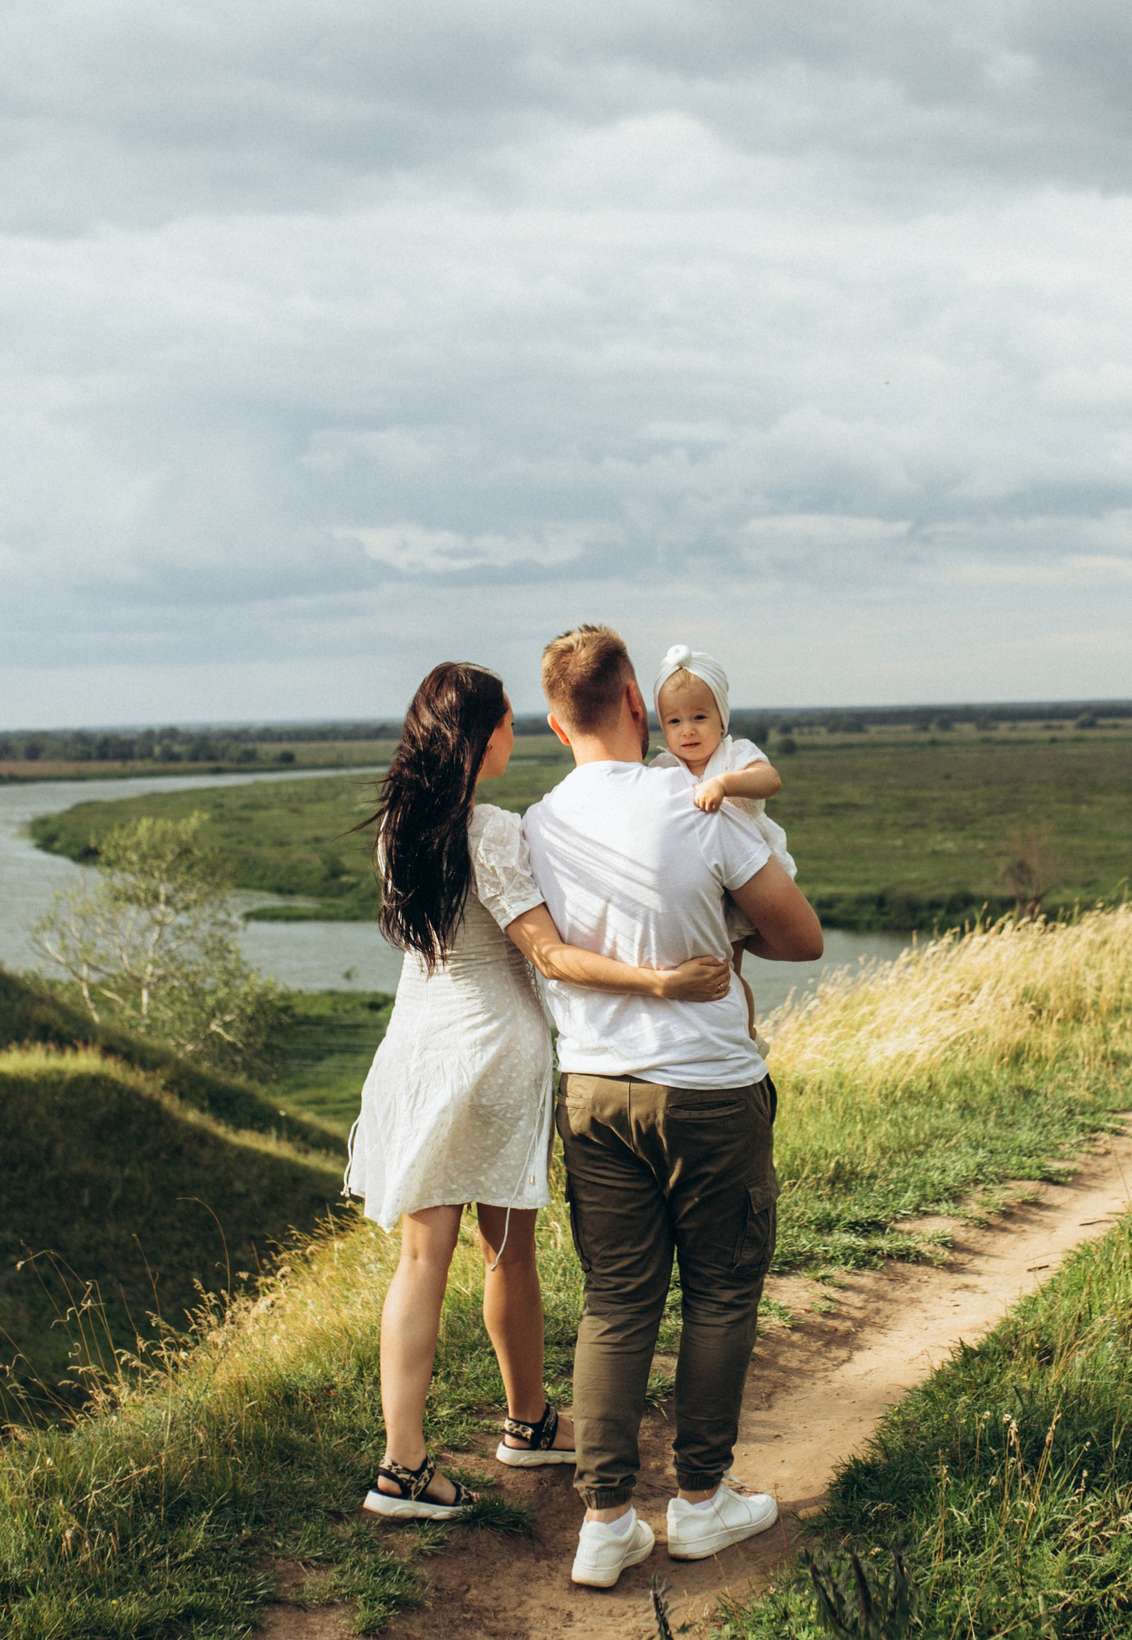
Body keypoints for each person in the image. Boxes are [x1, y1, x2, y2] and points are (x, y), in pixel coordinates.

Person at [343, 662, 734, 1522]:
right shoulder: (489, 829)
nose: (515, 737)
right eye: (508, 723)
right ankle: (493, 1433)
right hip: (491, 1052)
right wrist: (661, 980)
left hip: (416, 1047)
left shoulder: (398, 829)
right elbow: (549, 955)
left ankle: (426, 1451)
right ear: (479, 736)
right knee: (504, 1251)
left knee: (422, 1258)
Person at [520, 625, 825, 1589]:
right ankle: (699, 1500)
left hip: (593, 1091)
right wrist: (728, 940)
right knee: (721, 1292)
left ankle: (605, 1520)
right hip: (708, 1091)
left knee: (616, 1300)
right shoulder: (701, 802)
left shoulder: (537, 824)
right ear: (636, 704)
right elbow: (803, 937)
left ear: (555, 722)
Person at [646, 644, 793, 1035]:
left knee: (731, 969)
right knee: (706, 967)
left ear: (722, 719)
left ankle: (746, 1035)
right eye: (674, 721)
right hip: (697, 882)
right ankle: (705, 1032)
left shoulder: (735, 754)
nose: (688, 729)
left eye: (699, 717)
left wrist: (724, 784)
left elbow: (770, 780)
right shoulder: (663, 767)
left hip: (746, 878)